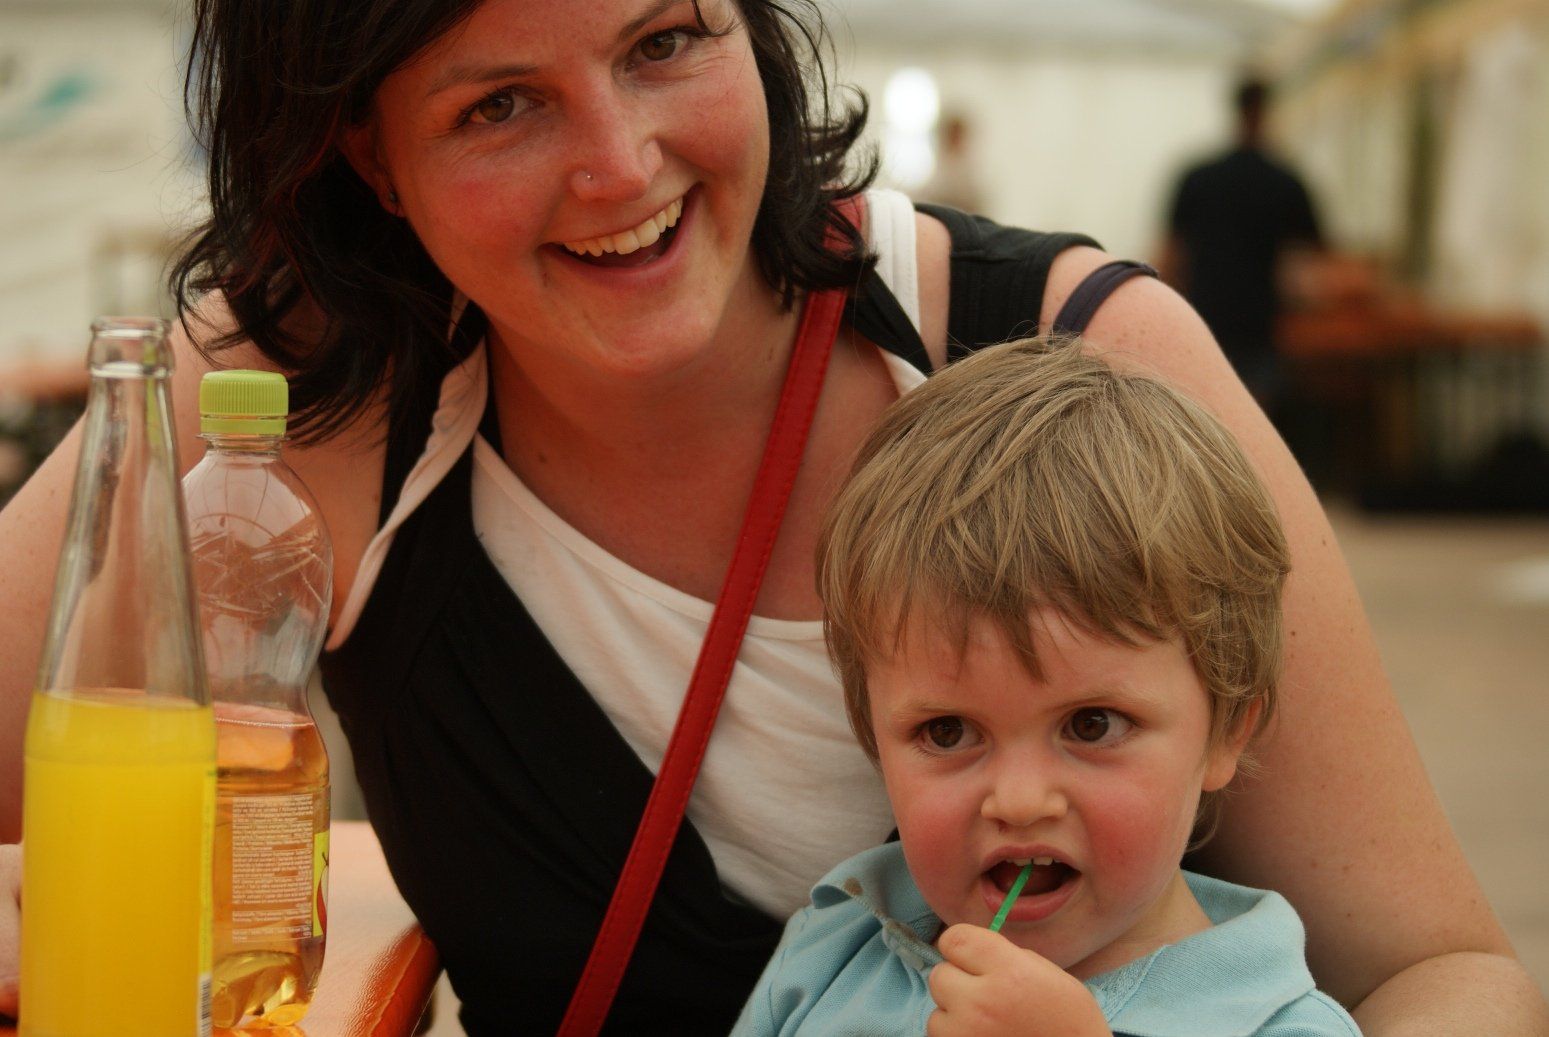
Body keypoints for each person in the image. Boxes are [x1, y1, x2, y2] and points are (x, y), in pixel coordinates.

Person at [0, 0, 1542, 1033]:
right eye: (499, 106)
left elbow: (1440, 973)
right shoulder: (300, 396)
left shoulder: (1082, 360)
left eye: (665, 39)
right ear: (369, 156)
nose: (621, 164)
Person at [734, 337, 1358, 1036]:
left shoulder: (1281, 1025)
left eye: (1091, 724)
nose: (1019, 800)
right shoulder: (836, 951)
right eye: (947, 732)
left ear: (1227, 728)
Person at [1160, 76, 1324, 411]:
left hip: (1204, 316)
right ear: (1266, 112)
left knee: (1205, 412)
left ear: (1236, 110)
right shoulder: (1284, 181)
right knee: (1254, 414)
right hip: (1259, 322)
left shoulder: (1198, 177)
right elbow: (1310, 262)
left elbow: (1171, 255)